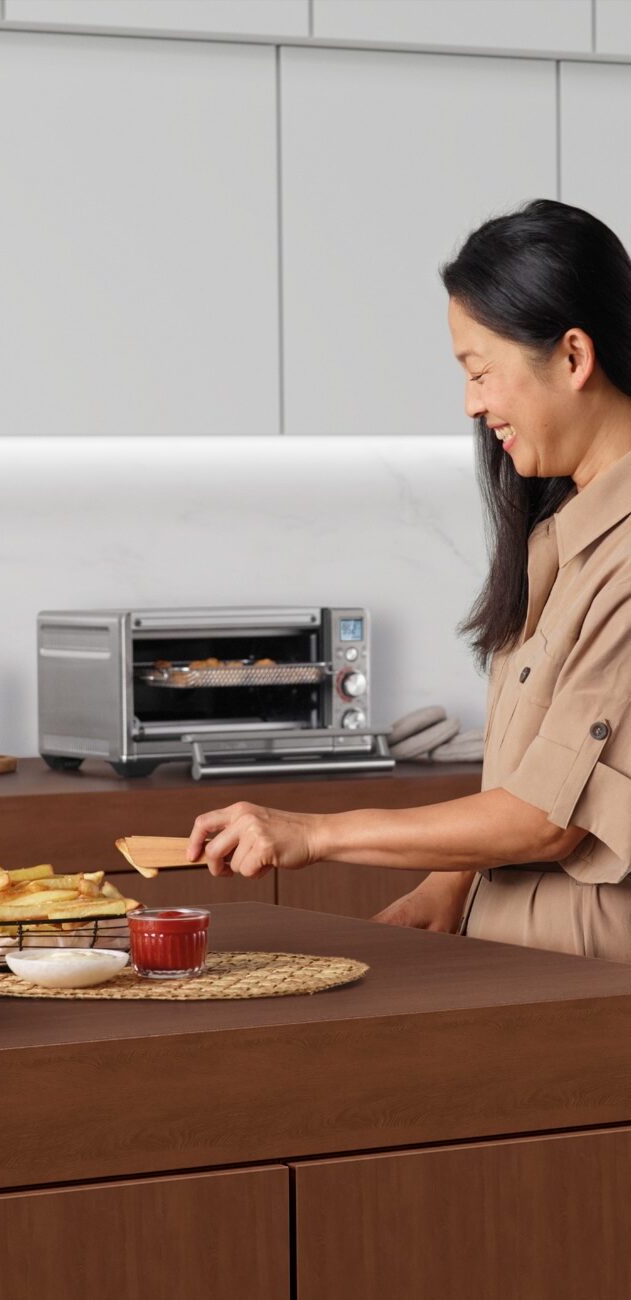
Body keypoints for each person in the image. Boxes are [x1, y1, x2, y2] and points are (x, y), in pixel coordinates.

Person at [187, 198, 631, 963]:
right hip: (515, 966)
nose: (472, 403)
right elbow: (529, 773)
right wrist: (447, 884)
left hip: (585, 992)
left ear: (571, 356)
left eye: (480, 371)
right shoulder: (565, 535)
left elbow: (548, 817)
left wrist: (314, 832)